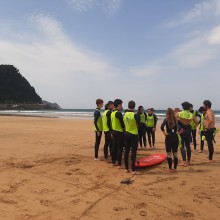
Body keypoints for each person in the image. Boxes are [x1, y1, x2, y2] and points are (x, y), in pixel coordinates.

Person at [176, 101, 198, 166]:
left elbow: (174, 120)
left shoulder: (179, 113)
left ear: (183, 107)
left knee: (182, 146)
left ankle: (184, 162)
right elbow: (196, 122)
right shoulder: (191, 114)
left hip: (181, 130)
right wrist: (192, 128)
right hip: (188, 130)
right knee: (188, 146)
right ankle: (188, 162)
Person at [124, 101, 140, 174]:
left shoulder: (125, 114)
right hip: (134, 134)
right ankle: (133, 170)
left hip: (126, 133)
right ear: (134, 106)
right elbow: (139, 124)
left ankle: (126, 168)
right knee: (133, 151)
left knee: (126, 151)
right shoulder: (135, 115)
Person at [111, 99, 125, 168]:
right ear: (119, 105)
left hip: (114, 131)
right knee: (120, 148)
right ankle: (119, 163)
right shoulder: (118, 113)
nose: (121, 106)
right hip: (119, 132)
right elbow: (122, 123)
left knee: (114, 147)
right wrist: (124, 128)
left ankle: (113, 161)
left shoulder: (112, 112)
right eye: (121, 105)